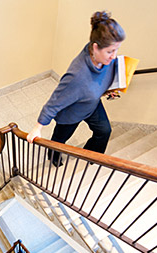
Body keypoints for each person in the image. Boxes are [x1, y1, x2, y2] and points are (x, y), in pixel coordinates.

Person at [26, 11, 126, 166]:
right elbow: (54, 102)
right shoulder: (77, 76)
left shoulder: (106, 59)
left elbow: (101, 79)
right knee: (59, 141)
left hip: (91, 104)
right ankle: (53, 157)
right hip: (71, 113)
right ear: (95, 48)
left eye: (116, 49)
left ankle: (90, 155)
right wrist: (38, 128)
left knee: (104, 131)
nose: (114, 56)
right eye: (110, 51)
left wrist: (110, 88)